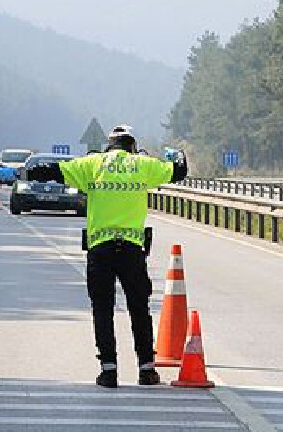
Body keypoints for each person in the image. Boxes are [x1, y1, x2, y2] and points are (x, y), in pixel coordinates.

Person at [27, 124, 188, 387]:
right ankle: (147, 369)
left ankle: (108, 370)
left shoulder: (93, 164)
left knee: (102, 308)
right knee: (139, 307)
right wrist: (177, 156)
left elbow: (48, 171)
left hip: (100, 249)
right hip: (132, 250)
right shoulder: (142, 165)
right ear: (132, 146)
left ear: (109, 147)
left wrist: (36, 168)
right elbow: (179, 172)